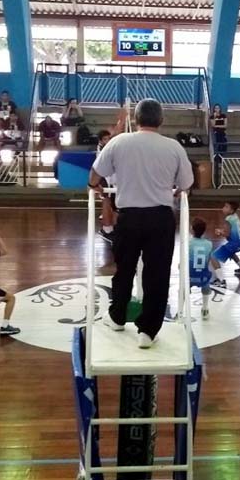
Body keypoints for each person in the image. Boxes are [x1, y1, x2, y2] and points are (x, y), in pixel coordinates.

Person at [89, 98, 195, 349]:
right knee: (157, 274)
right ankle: (147, 331)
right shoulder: (174, 147)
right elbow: (186, 184)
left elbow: (95, 174)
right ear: (161, 120)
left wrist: (94, 187)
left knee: (124, 269)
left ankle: (117, 317)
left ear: (135, 120)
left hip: (129, 217)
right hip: (160, 218)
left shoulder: (118, 142)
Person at [211, 200, 240, 285]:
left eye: (226, 207)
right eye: (224, 206)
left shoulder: (228, 219)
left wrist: (220, 232)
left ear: (231, 211)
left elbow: (227, 234)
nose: (223, 208)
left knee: (213, 257)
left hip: (234, 244)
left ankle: (221, 281)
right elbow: (230, 230)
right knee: (231, 252)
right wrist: (223, 231)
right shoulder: (235, 216)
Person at [188, 218, 214, 321]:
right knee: (206, 285)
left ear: (192, 230)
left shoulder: (188, 243)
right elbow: (208, 261)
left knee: (183, 288)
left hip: (190, 276)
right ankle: (205, 308)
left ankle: (181, 310)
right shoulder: (209, 244)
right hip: (203, 276)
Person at [95, 129, 117, 242]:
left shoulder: (106, 147)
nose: (108, 141)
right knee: (107, 203)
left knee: (113, 206)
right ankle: (106, 229)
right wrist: (121, 122)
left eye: (109, 139)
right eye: (105, 139)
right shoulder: (103, 149)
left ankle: (110, 228)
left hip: (111, 181)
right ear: (100, 141)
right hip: (105, 180)